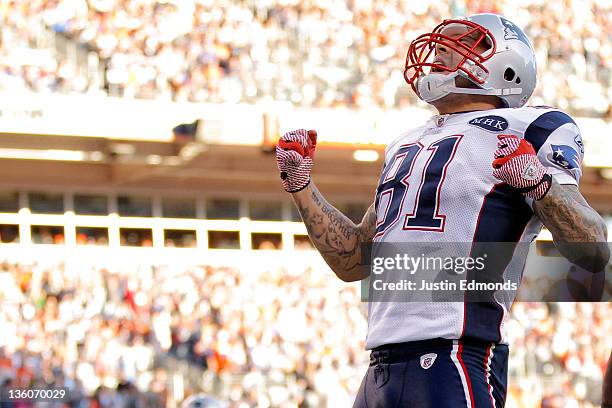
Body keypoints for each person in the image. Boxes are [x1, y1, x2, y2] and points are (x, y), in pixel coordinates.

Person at [275, 13, 609, 407]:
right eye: (443, 43)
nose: (442, 51)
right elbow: (353, 260)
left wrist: (538, 182)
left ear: (507, 62)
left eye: (462, 43)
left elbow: (593, 250)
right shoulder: (406, 142)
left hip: (455, 354)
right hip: (379, 368)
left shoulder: (531, 126)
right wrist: (301, 185)